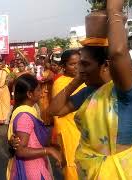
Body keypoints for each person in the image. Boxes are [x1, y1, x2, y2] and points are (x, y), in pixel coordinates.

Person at [48, 1, 132, 178]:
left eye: (85, 64)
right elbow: (54, 110)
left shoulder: (125, 90)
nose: (79, 69)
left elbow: (118, 53)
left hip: (122, 173)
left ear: (106, 65)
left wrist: (114, 10)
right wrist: (77, 80)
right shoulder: (89, 93)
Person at [6, 73, 62, 180]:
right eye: (38, 90)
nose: (41, 93)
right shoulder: (25, 116)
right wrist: (48, 150)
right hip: (32, 170)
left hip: (36, 163)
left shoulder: (31, 109)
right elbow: (21, 150)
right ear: (29, 94)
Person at [51, 49, 85, 180]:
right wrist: (59, 134)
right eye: (72, 64)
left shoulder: (85, 79)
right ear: (63, 66)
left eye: (79, 62)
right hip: (69, 127)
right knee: (72, 163)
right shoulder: (60, 83)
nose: (77, 66)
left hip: (85, 127)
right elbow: (57, 112)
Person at [38, 59, 54, 124]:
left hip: (49, 90)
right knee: (41, 105)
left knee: (48, 104)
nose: (45, 64)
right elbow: (38, 78)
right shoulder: (40, 71)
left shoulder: (51, 72)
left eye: (47, 63)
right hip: (41, 90)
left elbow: (50, 78)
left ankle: (49, 121)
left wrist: (44, 80)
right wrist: (40, 80)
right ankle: (43, 120)